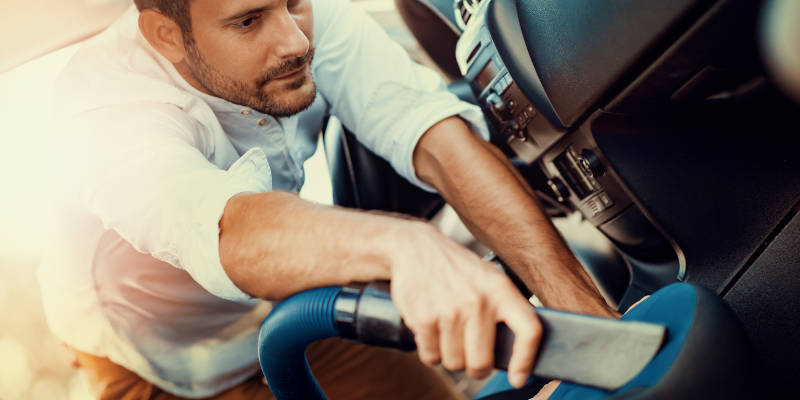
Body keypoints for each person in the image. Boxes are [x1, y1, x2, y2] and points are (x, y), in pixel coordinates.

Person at [38, 0, 617, 399]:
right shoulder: (102, 110)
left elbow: (440, 141)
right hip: (148, 362)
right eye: (247, 21)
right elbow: (229, 229)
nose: (294, 41)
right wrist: (406, 248)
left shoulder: (305, 21)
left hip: (276, 314)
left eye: (295, 2)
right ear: (168, 37)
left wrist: (597, 338)